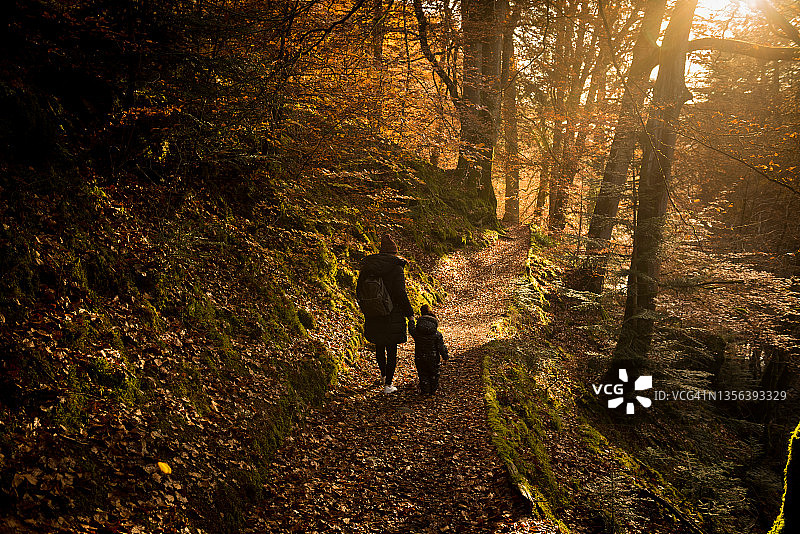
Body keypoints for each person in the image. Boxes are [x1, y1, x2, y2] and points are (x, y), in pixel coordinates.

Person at [356, 234, 414, 394]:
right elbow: (400, 293)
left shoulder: (369, 266)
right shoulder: (396, 267)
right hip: (392, 312)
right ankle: (388, 384)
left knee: (379, 345)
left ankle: (383, 376)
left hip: (373, 311)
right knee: (392, 349)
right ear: (394, 252)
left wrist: (367, 305)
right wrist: (409, 313)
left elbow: (359, 289)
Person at [409, 304, 449, 395]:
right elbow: (441, 346)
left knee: (422, 374)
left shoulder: (417, 333)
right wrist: (445, 356)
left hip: (420, 357)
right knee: (434, 374)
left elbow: (411, 329)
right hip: (433, 358)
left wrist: (411, 320)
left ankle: (425, 390)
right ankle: (433, 390)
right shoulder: (437, 334)